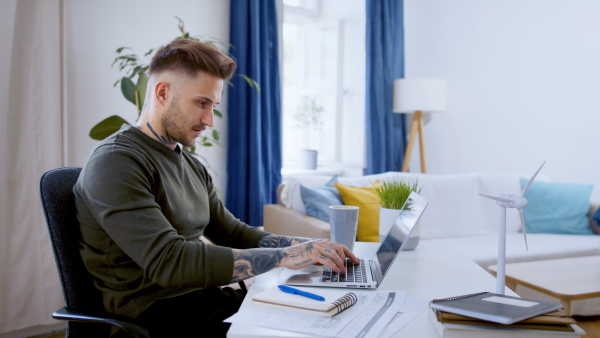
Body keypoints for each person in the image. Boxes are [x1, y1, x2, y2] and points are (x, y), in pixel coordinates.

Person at [73, 38, 358, 337]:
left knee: (332, 318)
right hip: (153, 319)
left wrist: (307, 247)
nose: (209, 120)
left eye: (213, 105)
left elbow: (234, 233)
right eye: (201, 103)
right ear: (162, 92)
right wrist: (285, 257)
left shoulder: (191, 165)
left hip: (203, 303)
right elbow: (169, 263)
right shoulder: (117, 162)